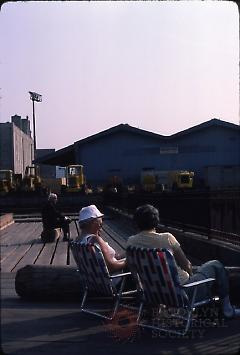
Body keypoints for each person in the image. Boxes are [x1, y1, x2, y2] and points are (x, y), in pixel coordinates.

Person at [126, 204, 240, 319]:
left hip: (155, 295)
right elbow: (186, 265)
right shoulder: (167, 238)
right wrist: (192, 277)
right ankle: (227, 309)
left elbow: (133, 269)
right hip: (184, 292)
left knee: (201, 269)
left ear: (137, 222)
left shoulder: (131, 243)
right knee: (215, 265)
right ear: (156, 220)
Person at [77, 204, 126, 272]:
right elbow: (112, 267)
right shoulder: (95, 240)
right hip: (114, 278)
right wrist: (129, 261)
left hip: (94, 278)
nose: (101, 224)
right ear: (94, 222)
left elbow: (109, 259)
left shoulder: (78, 241)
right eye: (100, 222)